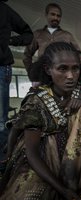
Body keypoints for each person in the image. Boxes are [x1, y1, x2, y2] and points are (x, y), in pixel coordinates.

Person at [0, 42, 81, 199]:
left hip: (73, 159)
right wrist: (62, 190)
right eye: (62, 69)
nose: (70, 76)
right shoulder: (37, 100)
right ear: (48, 69)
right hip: (40, 159)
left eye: (75, 68)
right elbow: (32, 153)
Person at [0, 0, 33, 159]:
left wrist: (10, 41)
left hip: (1, 67)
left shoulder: (4, 10)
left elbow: (28, 35)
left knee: (0, 121)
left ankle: (3, 163)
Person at [23, 3, 81, 80]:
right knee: (42, 92)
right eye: (53, 14)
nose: (55, 18)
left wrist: (71, 69)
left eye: (58, 16)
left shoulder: (67, 35)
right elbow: (27, 55)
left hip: (62, 76)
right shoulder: (37, 34)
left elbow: (79, 54)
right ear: (46, 15)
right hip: (43, 76)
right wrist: (33, 74)